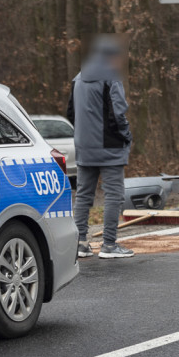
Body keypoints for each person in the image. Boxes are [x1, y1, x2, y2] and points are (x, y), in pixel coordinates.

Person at [66, 36, 135, 259]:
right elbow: (118, 113)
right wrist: (126, 137)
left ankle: (80, 243)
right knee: (114, 194)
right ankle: (109, 245)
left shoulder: (78, 78)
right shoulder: (110, 77)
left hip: (84, 146)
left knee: (84, 195)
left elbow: (71, 114)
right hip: (109, 146)